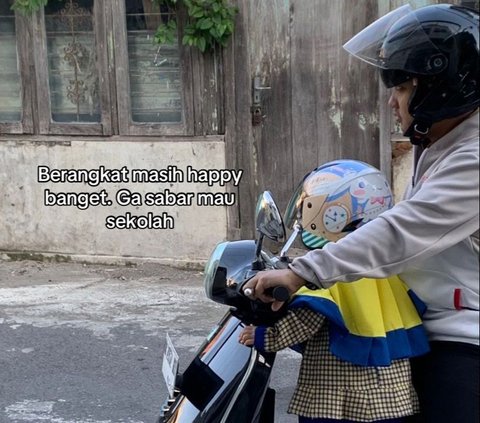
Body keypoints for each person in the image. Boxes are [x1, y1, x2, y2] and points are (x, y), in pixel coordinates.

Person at [243, 4, 479, 423]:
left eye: (402, 87)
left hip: (462, 338)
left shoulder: (473, 159)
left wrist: (302, 273)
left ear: (442, 87)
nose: (392, 101)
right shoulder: (438, 144)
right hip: (422, 322)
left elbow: (402, 232)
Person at [240, 160, 430, 423]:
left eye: (309, 208)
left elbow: (306, 322)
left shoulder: (330, 269)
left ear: (335, 214)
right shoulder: (384, 270)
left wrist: (263, 336)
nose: (303, 219)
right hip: (390, 396)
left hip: (340, 394)